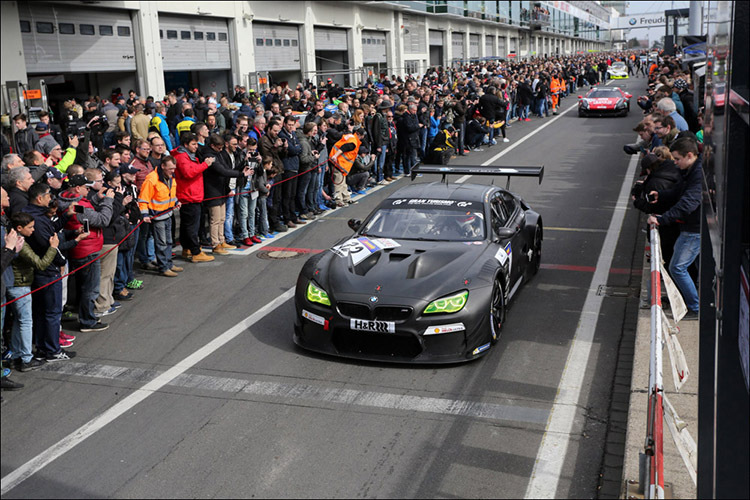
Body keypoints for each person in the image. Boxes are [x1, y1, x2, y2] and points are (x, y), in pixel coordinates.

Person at [21, 183, 82, 360]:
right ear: (39, 198)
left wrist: (66, 217)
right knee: (51, 312)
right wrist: (63, 258)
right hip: (47, 272)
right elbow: (48, 244)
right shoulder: (37, 219)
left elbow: (51, 230)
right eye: (48, 195)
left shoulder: (37, 216)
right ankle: (52, 349)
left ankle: (44, 347)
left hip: (44, 270)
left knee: (43, 312)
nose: (51, 199)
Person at [647, 138, 702, 320]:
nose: (675, 163)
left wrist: (663, 219)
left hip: (694, 229)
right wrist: (662, 195)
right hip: (691, 226)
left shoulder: (698, 174)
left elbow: (688, 202)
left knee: (677, 267)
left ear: (689, 155)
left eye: (677, 159)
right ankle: (692, 301)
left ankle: (694, 307)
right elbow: (680, 191)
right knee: (684, 266)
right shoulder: (692, 171)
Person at [59, 172, 115, 332]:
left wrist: (97, 199)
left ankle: (86, 315)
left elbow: (86, 211)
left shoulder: (65, 200)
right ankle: (87, 321)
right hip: (87, 249)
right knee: (90, 287)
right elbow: (102, 220)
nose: (88, 191)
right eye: (85, 188)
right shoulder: (79, 205)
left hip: (80, 248)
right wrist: (108, 201)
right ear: (77, 188)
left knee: (85, 285)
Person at [6, 212, 60, 371]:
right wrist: (53, 248)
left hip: (15, 285)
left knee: (19, 320)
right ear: (19, 228)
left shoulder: (14, 238)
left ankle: (17, 354)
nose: (34, 230)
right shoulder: (21, 243)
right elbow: (41, 264)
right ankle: (26, 357)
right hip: (20, 285)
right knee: (26, 322)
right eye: (30, 227)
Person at [172, 132, 215, 262]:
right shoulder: (182, 157)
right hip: (189, 195)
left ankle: (187, 249)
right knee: (192, 226)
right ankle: (195, 252)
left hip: (192, 194)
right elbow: (188, 173)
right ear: (186, 144)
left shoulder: (187, 155)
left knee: (187, 225)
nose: (196, 146)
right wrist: (204, 165)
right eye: (193, 144)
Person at [139, 155, 182, 277]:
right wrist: (145, 214)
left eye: (174, 168)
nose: (173, 171)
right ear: (163, 166)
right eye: (170, 169)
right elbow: (143, 199)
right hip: (157, 216)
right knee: (161, 242)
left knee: (168, 241)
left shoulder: (170, 176)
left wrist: (176, 202)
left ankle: (169, 263)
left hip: (168, 213)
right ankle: (163, 267)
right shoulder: (152, 179)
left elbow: (170, 194)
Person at [329, 126, 366, 206]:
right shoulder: (353, 142)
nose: (363, 137)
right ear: (359, 134)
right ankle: (338, 200)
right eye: (362, 135)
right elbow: (344, 148)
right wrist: (335, 156)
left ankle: (346, 198)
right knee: (339, 182)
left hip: (341, 163)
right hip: (338, 162)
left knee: (343, 182)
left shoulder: (352, 138)